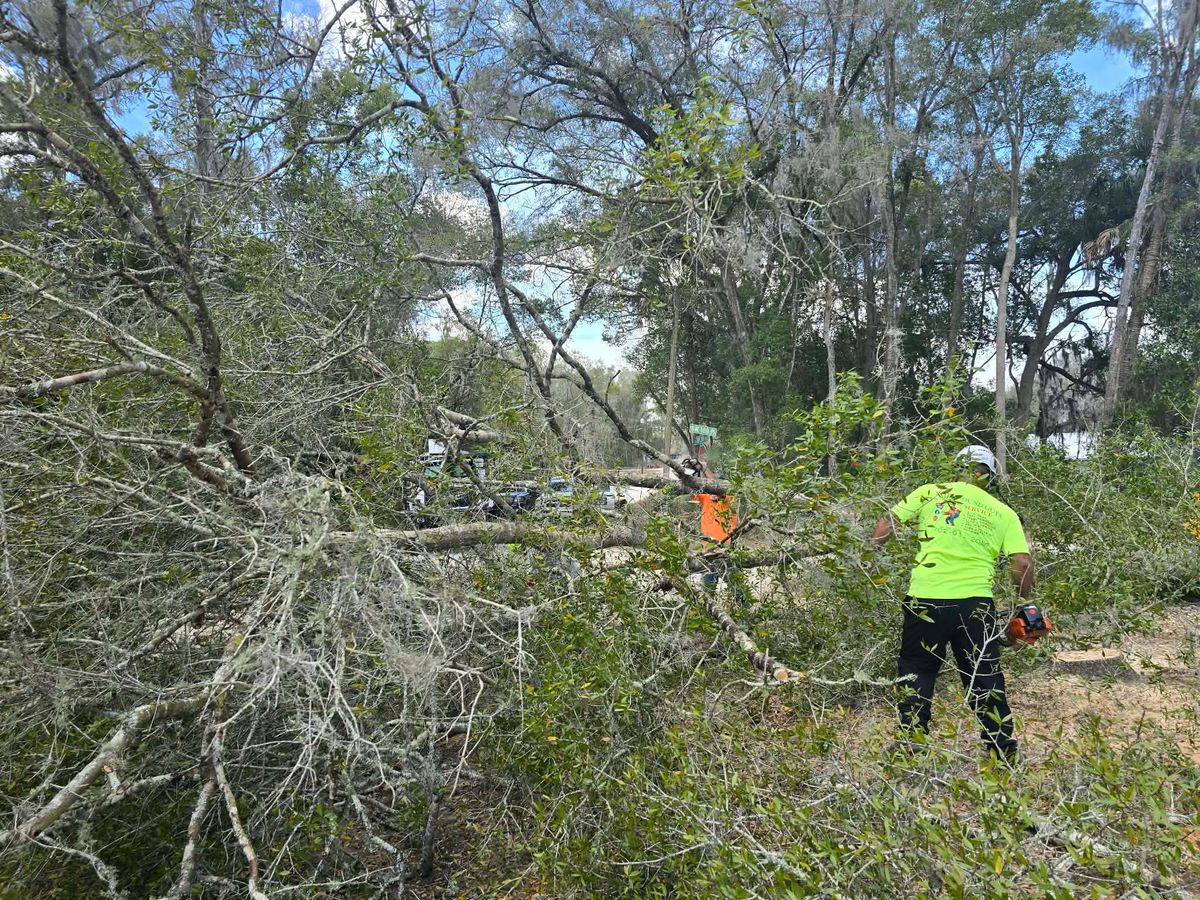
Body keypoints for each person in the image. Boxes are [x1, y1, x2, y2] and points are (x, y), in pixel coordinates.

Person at [870, 445, 1034, 762]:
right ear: (989, 477)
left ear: (957, 469)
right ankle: (1002, 750)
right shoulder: (1003, 512)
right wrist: (1025, 602)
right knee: (984, 676)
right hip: (975, 606)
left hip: (924, 600)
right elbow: (1023, 562)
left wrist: (869, 559)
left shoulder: (929, 492)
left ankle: (911, 743)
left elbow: (887, 521)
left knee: (916, 670)